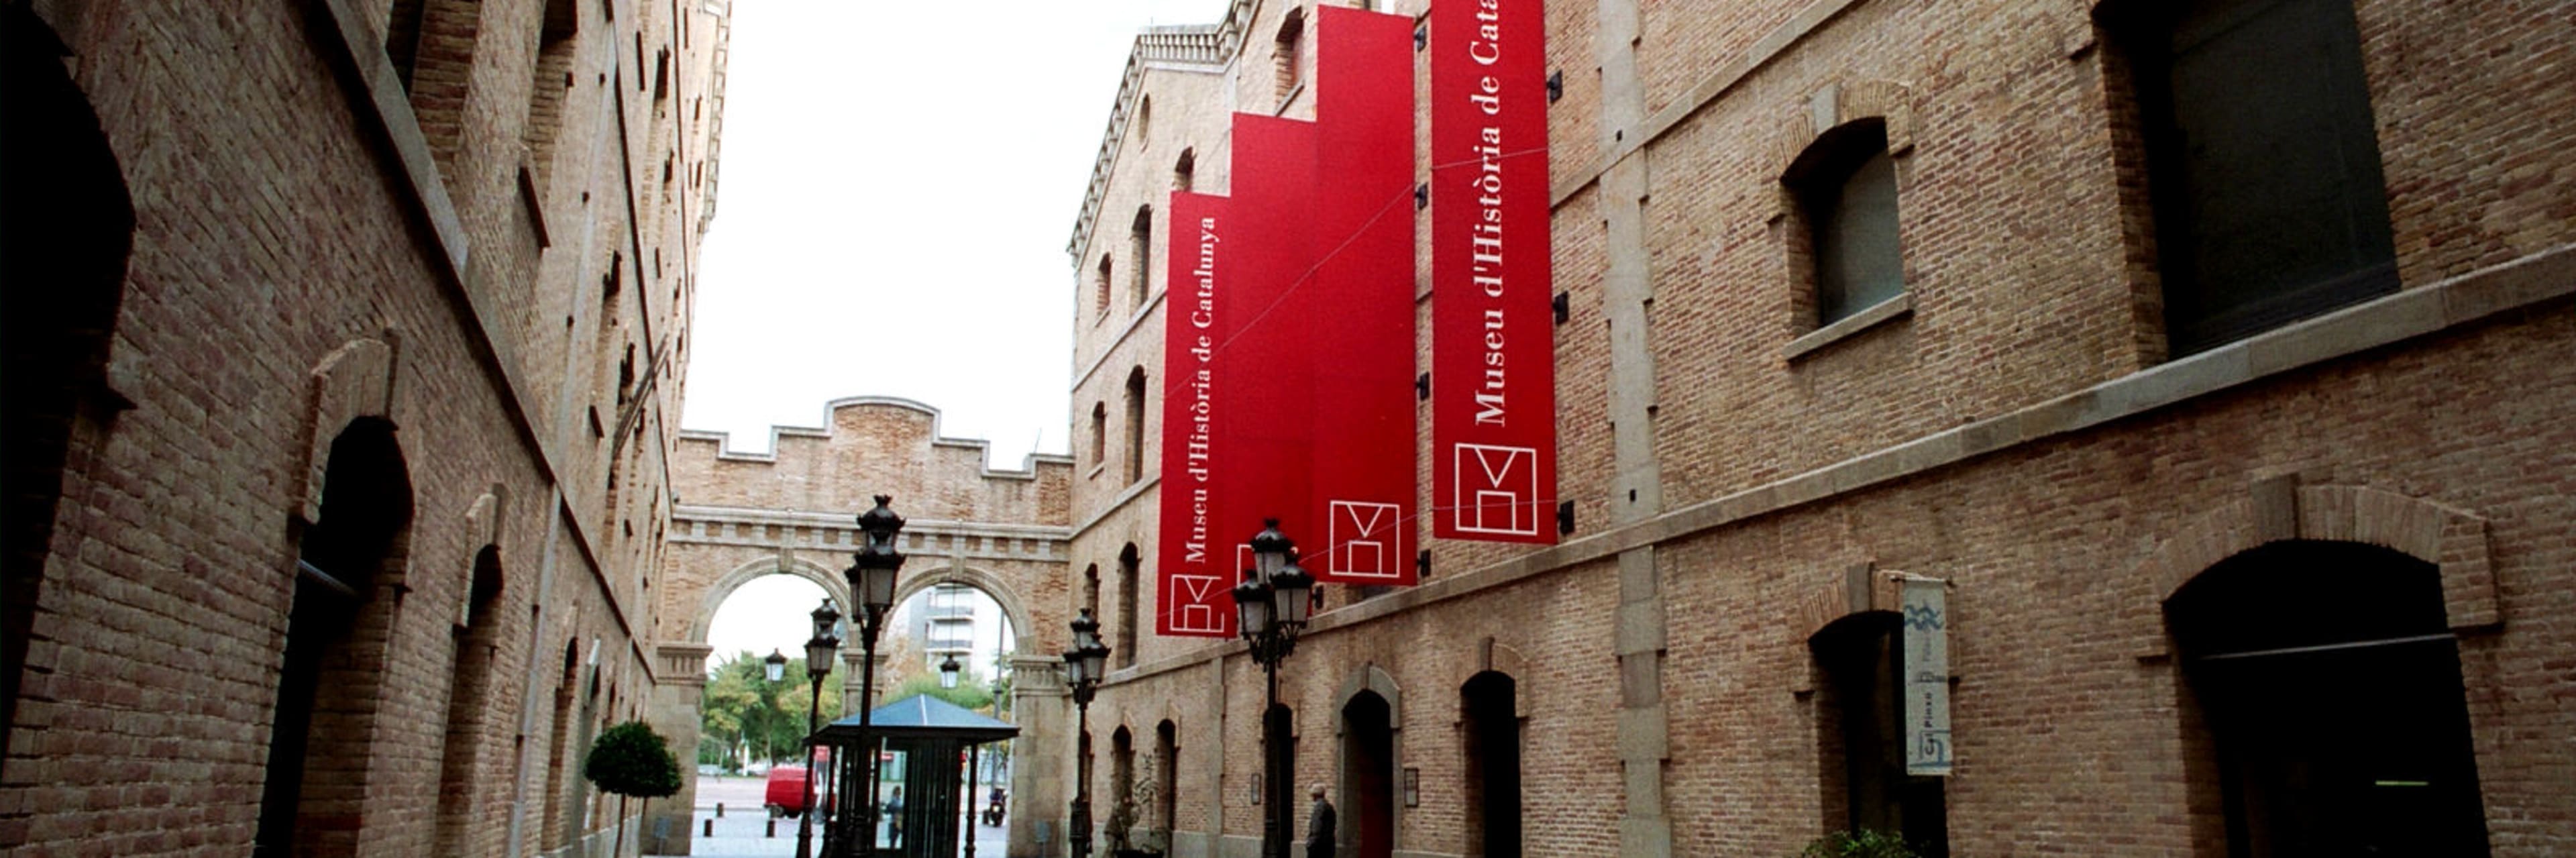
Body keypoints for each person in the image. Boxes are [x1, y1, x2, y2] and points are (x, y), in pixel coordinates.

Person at [1305, 784, 1336, 858]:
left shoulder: (1319, 808)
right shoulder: (1329, 806)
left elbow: (1316, 828)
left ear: (1314, 795)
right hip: (1329, 845)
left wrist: (1310, 844)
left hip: (1319, 847)